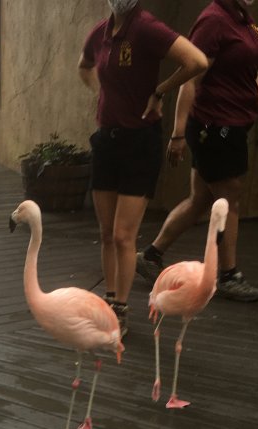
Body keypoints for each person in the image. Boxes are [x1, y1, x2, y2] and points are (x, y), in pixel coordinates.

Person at [78, 1, 207, 337]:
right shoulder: (101, 32)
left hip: (140, 144)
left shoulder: (146, 27)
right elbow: (84, 65)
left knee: (123, 235)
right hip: (107, 141)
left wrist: (160, 92)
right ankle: (108, 303)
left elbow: (196, 61)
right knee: (106, 233)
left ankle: (120, 309)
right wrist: (101, 94)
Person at [136, 0, 258, 301]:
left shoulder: (242, 19)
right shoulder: (214, 21)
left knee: (200, 200)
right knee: (229, 200)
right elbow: (190, 79)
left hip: (235, 123)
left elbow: (251, 71)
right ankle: (228, 275)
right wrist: (177, 134)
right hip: (214, 127)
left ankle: (150, 255)